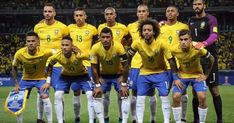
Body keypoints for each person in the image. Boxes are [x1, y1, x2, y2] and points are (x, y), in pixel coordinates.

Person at [128, 19, 177, 123]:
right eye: (144, 30)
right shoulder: (137, 43)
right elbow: (128, 58)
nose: (146, 32)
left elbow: (171, 61)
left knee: (164, 96)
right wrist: (124, 77)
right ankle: (140, 121)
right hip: (144, 73)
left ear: (154, 32)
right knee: (140, 97)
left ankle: (166, 121)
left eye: (149, 30)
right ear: (141, 32)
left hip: (161, 73)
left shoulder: (162, 43)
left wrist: (175, 77)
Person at [42, 36, 98, 123]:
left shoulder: (78, 54)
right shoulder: (57, 56)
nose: (64, 47)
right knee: (57, 95)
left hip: (82, 75)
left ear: (72, 46)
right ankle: (60, 121)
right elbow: (50, 65)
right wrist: (48, 81)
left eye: (67, 45)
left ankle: (91, 121)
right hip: (65, 76)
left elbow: (93, 58)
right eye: (63, 45)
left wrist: (81, 53)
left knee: (90, 94)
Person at [188, 0, 222, 122]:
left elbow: (214, 35)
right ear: (193, 6)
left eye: (199, 4)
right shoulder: (190, 21)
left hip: (209, 58)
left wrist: (204, 43)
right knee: (194, 91)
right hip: (195, 60)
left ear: (204, 5)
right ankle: (196, 120)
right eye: (195, 4)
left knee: (214, 90)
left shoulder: (211, 19)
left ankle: (220, 119)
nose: (197, 6)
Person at [34, 3, 69, 122]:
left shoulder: (63, 27)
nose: (47, 14)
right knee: (41, 94)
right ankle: (40, 118)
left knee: (59, 94)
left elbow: (68, 43)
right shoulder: (38, 27)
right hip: (42, 64)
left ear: (54, 13)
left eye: (50, 11)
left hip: (58, 64)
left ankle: (61, 119)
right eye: (45, 11)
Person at [171, 29, 214, 123]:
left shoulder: (197, 48)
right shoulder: (174, 49)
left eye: (186, 39)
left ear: (190, 40)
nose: (183, 42)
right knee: (176, 97)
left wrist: (206, 75)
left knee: (202, 97)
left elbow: (211, 59)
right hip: (182, 76)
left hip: (197, 76)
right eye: (181, 40)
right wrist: (176, 77)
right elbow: (171, 61)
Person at [97, 7, 131, 122]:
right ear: (104, 16)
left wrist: (124, 48)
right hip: (105, 67)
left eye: (111, 14)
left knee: (121, 94)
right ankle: (105, 118)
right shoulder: (100, 27)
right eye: (107, 14)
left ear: (115, 15)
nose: (109, 16)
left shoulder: (122, 28)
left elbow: (128, 40)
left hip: (119, 67)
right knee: (105, 96)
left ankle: (122, 118)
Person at [90, 27, 130, 123]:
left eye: (108, 37)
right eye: (103, 37)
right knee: (97, 94)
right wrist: (97, 84)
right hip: (104, 75)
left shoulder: (119, 46)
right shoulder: (95, 48)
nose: (105, 39)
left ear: (112, 37)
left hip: (118, 75)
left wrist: (124, 83)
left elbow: (126, 66)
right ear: (99, 37)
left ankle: (122, 120)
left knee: (124, 94)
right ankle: (103, 120)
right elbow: (94, 68)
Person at [12, 32, 53, 123]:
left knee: (45, 97)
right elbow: (14, 67)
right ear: (26, 43)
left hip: (41, 79)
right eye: (28, 41)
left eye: (33, 41)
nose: (31, 43)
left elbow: (58, 53)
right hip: (26, 79)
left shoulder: (45, 51)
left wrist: (48, 81)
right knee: (18, 100)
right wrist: (16, 84)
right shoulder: (19, 53)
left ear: (38, 42)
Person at [68, 7, 98, 123]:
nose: (79, 18)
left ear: (85, 16)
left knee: (91, 94)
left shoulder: (92, 29)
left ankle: (92, 119)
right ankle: (77, 117)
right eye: (77, 15)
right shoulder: (69, 29)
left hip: (89, 64)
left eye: (81, 15)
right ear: (74, 17)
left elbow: (96, 46)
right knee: (76, 92)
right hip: (75, 65)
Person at [127, 4, 157, 123]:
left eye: (144, 11)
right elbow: (125, 39)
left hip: (150, 64)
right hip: (135, 65)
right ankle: (134, 118)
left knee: (151, 92)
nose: (141, 13)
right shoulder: (130, 27)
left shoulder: (154, 26)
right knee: (134, 92)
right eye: (139, 11)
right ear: (136, 13)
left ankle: (153, 119)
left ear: (148, 13)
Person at [160, 5, 189, 123]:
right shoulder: (160, 27)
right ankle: (167, 119)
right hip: (164, 65)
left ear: (177, 13)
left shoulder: (183, 27)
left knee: (183, 91)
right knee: (165, 92)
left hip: (180, 65)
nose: (170, 13)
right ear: (165, 14)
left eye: (172, 11)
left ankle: (183, 118)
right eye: (168, 11)